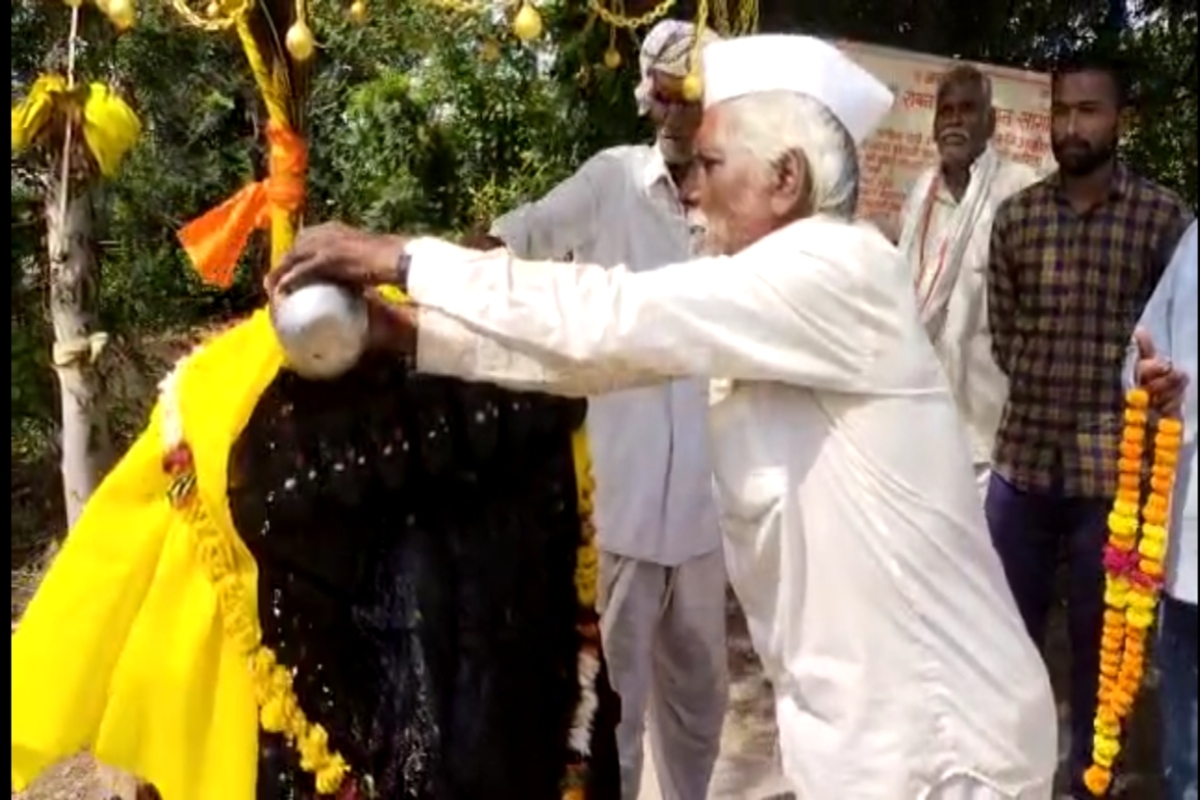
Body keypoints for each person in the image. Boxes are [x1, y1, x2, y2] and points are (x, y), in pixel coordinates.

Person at [268, 33, 1059, 799]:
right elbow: (599, 361)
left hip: (940, 750)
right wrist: (409, 334)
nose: (692, 190)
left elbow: (611, 315)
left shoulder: (836, 269)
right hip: (870, 744)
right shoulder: (784, 290)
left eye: (711, 165)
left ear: (785, 179)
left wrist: (404, 257)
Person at [469, 19, 729, 800]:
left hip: (708, 517)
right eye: (665, 96)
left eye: (691, 97)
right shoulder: (613, 181)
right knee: (614, 712)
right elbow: (527, 233)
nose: (675, 112)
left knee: (699, 709)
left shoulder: (735, 205)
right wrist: (438, 270)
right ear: (648, 99)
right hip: (620, 511)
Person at [984, 52, 1194, 798]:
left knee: (1103, 658)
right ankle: (1006, 777)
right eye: (1061, 110)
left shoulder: (1164, 221)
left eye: (1088, 110)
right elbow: (1003, 336)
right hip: (1023, 468)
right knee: (1002, 642)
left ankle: (1086, 786)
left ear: (1120, 120)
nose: (1071, 126)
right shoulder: (1017, 219)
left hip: (1115, 484)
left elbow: (1176, 340)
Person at [897, 65, 1038, 499]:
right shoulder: (921, 195)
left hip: (990, 433)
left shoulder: (1019, 190)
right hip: (921, 418)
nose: (955, 120)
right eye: (946, 111)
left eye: (968, 109)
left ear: (990, 122)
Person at [1127, 221, 1197, 800]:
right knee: (1186, 762)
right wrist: (1146, 378)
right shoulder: (1196, 242)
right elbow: (1144, 350)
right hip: (1188, 547)